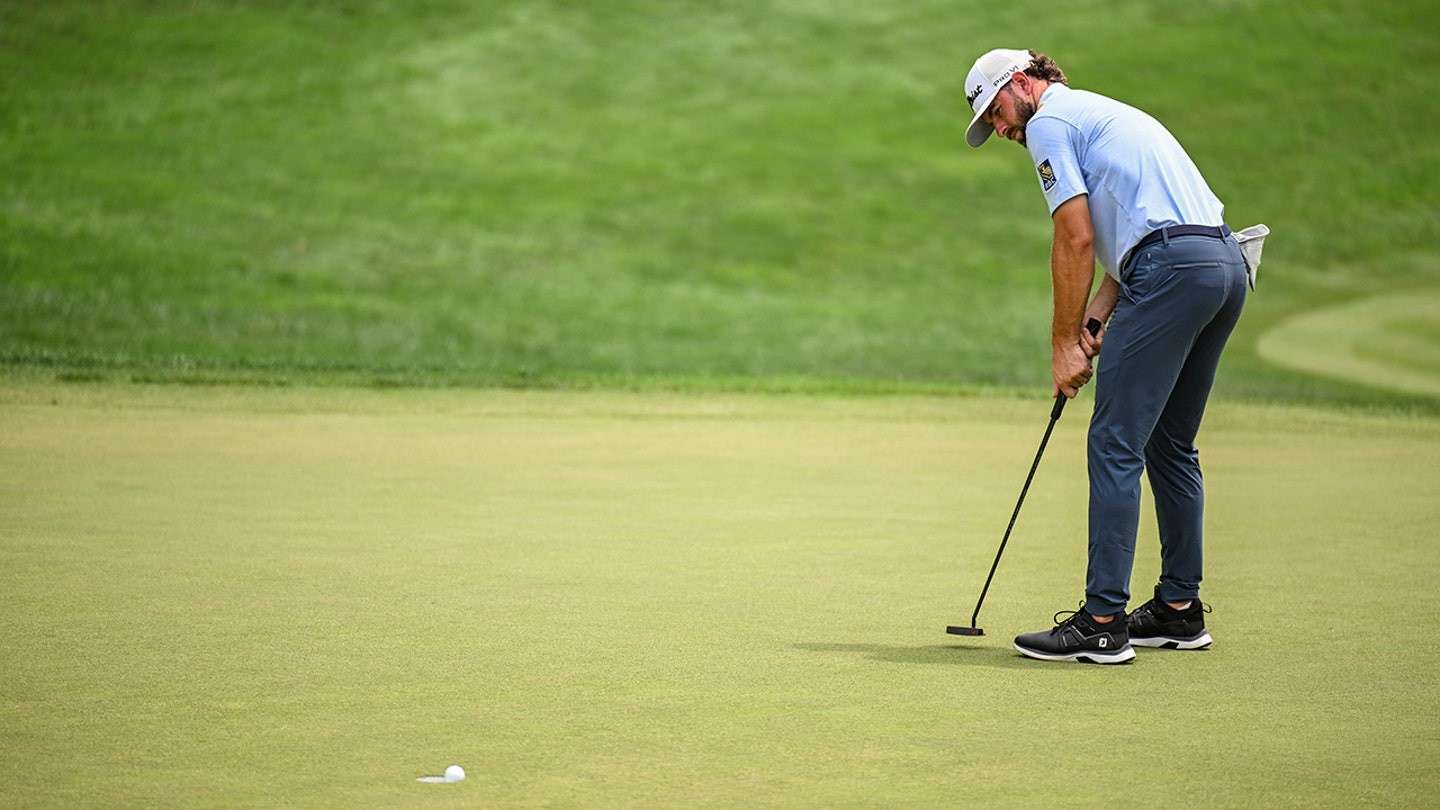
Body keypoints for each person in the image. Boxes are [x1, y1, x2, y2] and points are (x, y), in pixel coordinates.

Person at [962, 49, 1248, 664]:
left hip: (1171, 269)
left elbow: (1076, 236)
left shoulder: (1048, 124)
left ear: (1021, 83)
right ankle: (1178, 609)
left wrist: (1064, 342)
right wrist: (1095, 315)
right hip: (1221, 267)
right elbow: (1137, 233)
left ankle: (1101, 621)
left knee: (1115, 440)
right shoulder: (1100, 114)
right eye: (992, 125)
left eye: (998, 111)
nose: (1004, 129)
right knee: (1170, 443)